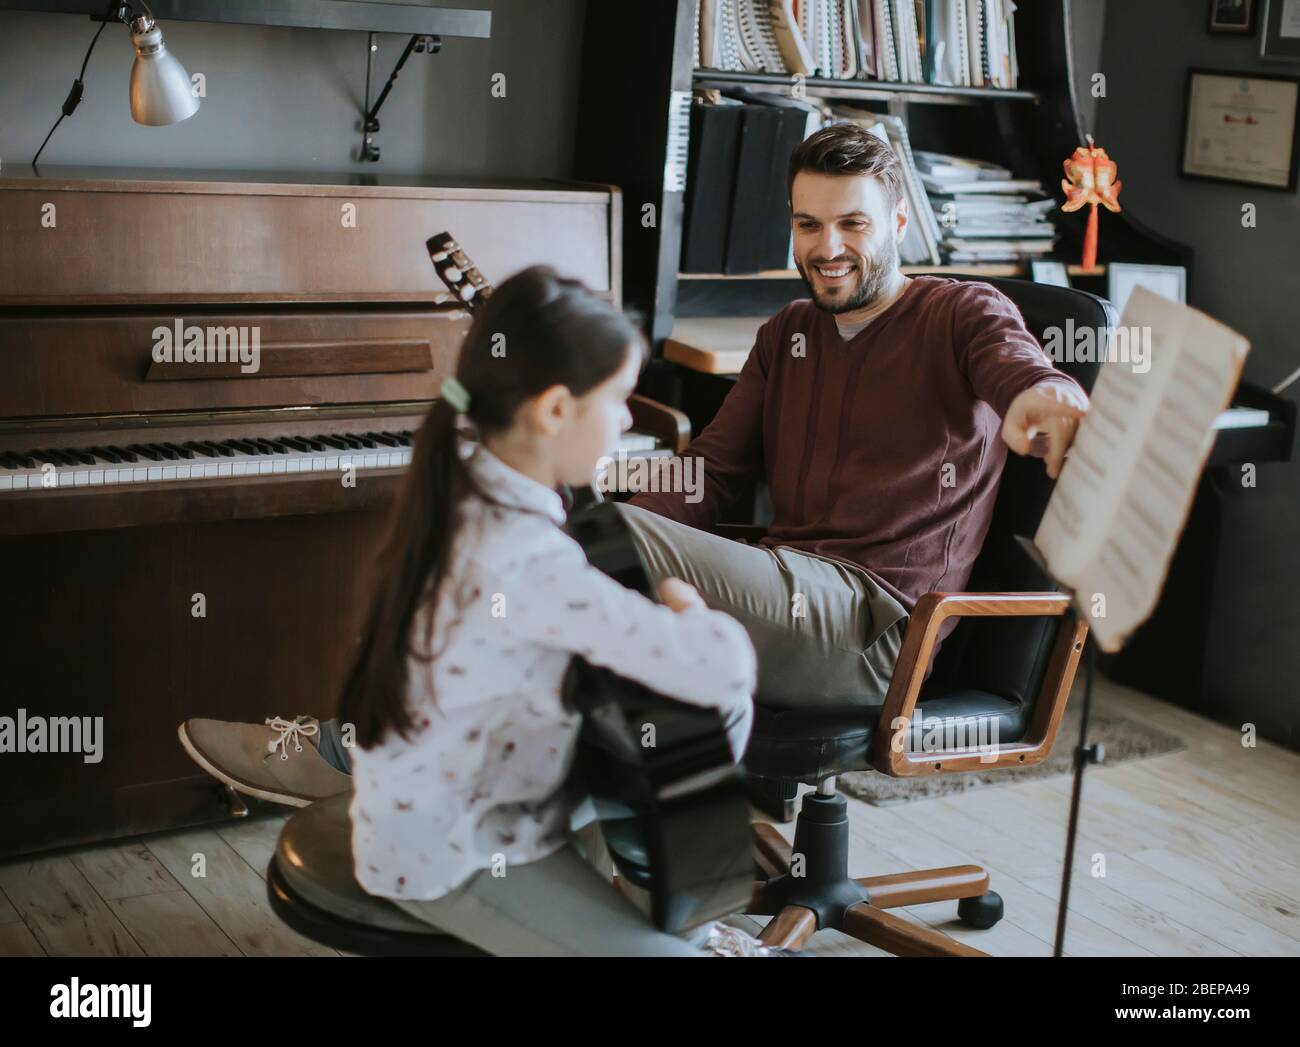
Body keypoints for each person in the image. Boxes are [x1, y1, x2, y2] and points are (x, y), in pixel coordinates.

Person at [183, 122, 1087, 841]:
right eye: (809, 224)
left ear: (899, 222)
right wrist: (591, 483)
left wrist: (1047, 396)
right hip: (782, 586)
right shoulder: (786, 336)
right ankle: (536, 825)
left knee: (587, 541)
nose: (829, 247)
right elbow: (709, 477)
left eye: (853, 223)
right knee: (569, 561)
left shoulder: (963, 311)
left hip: (879, 627)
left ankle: (366, 750)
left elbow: (1022, 373)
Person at [185, 268, 756, 956]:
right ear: (551, 411)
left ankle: (657, 908)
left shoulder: (469, 468)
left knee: (682, 728)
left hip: (496, 785)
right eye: (619, 399)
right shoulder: (525, 560)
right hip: (450, 851)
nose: (630, 420)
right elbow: (724, 668)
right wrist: (688, 606)